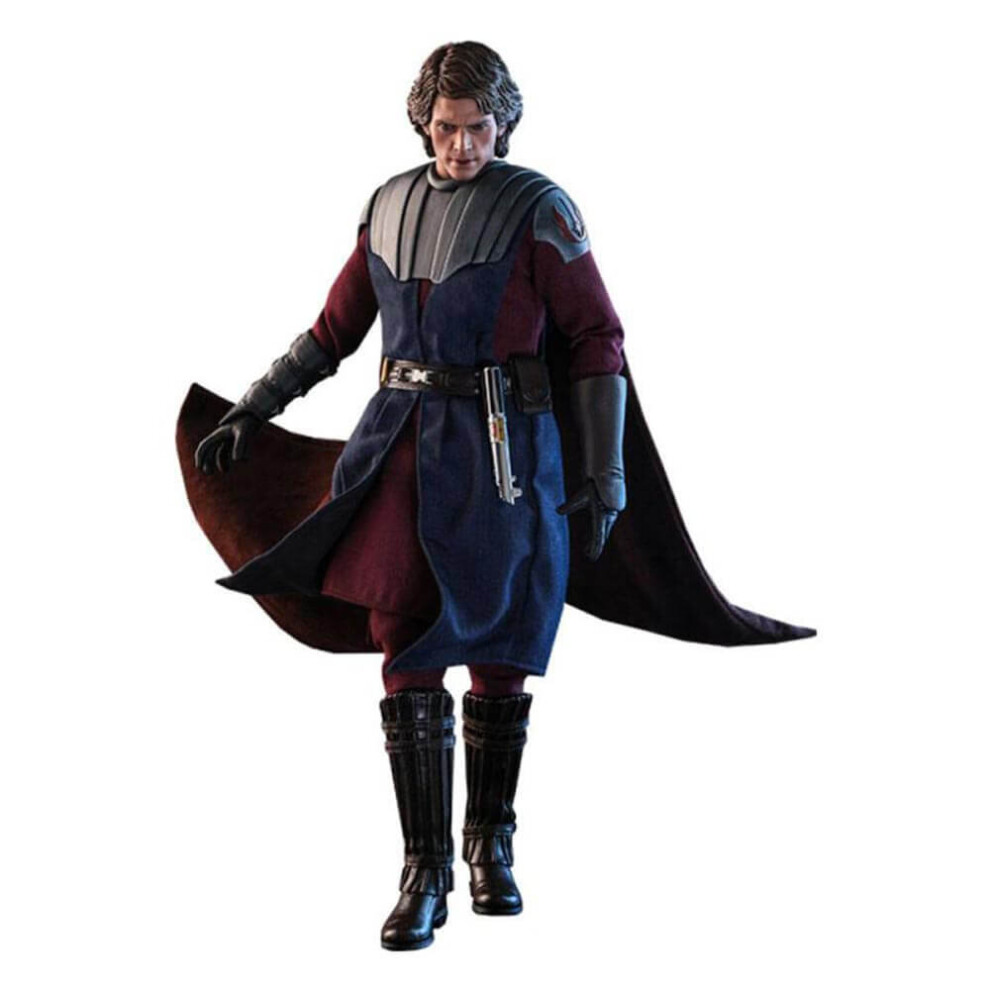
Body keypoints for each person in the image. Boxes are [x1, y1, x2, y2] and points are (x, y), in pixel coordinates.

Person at [177, 40, 814, 952]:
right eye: (447, 127)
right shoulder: (388, 207)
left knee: (500, 649)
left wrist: (605, 472)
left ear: (503, 124)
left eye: (478, 127)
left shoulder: (539, 210)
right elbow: (332, 332)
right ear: (422, 122)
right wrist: (254, 406)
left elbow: (596, 339)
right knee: (403, 645)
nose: (463, 145)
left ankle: (491, 845)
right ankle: (423, 867)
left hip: (505, 463)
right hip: (397, 459)